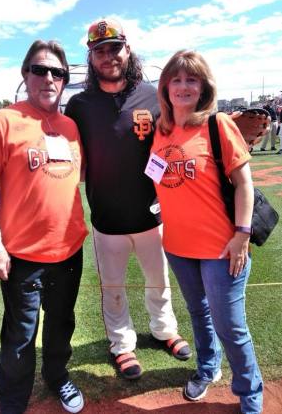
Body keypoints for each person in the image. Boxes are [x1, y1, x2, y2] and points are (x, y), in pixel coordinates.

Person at [65, 18, 191, 380]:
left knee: (159, 281)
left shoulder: (153, 95)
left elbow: (179, 137)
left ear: (128, 49)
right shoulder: (79, 105)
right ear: (91, 58)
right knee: (114, 289)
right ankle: (121, 344)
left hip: (152, 214)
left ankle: (164, 330)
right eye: (99, 51)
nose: (109, 56)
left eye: (115, 48)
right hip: (107, 220)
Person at [0, 40, 88, 414]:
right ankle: (13, 400)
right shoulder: (2, 121)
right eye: (40, 70)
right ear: (25, 74)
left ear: (65, 80)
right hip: (21, 254)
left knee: (62, 323)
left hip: (68, 249)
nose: (49, 78)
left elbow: (72, 179)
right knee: (20, 335)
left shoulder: (69, 126)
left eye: (58, 72)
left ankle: (57, 376)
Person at [150, 49, 263, 414]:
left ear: (203, 87)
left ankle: (250, 395)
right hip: (178, 245)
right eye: (176, 79)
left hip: (221, 246)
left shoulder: (218, 125)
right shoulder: (162, 129)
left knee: (230, 325)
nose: (183, 86)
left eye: (191, 79)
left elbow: (244, 184)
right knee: (198, 314)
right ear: (165, 87)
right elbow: (159, 178)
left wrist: (241, 235)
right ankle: (208, 368)